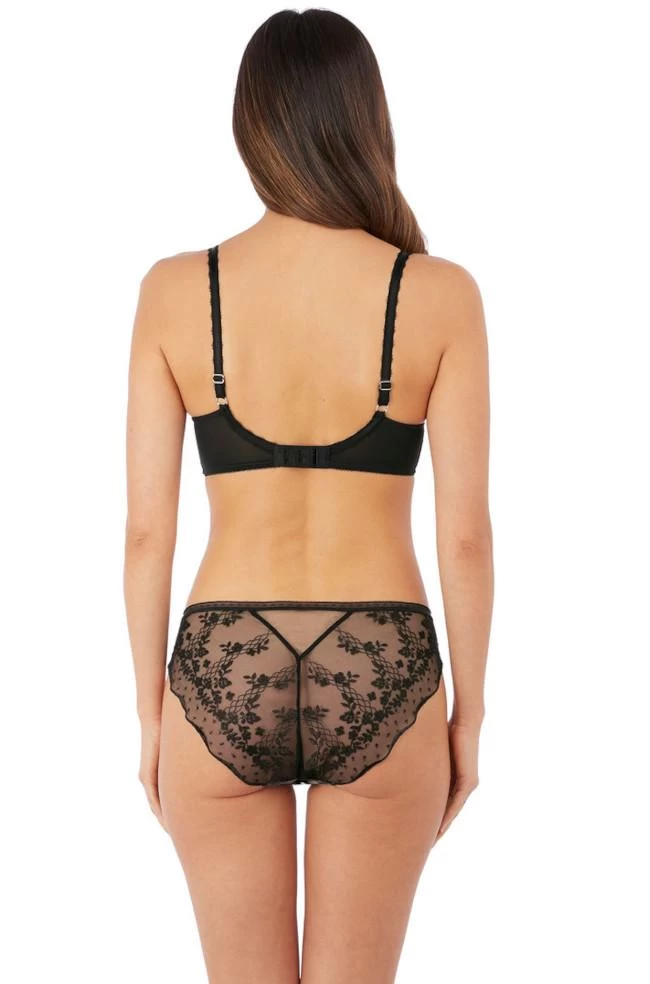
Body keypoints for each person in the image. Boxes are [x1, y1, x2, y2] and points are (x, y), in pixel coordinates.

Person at [124, 8, 493, 983]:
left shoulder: (175, 290)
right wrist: (468, 716)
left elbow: (147, 532)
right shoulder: (438, 293)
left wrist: (152, 715)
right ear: (366, 120)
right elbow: (463, 536)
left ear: (251, 127)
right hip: (383, 660)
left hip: (221, 663)